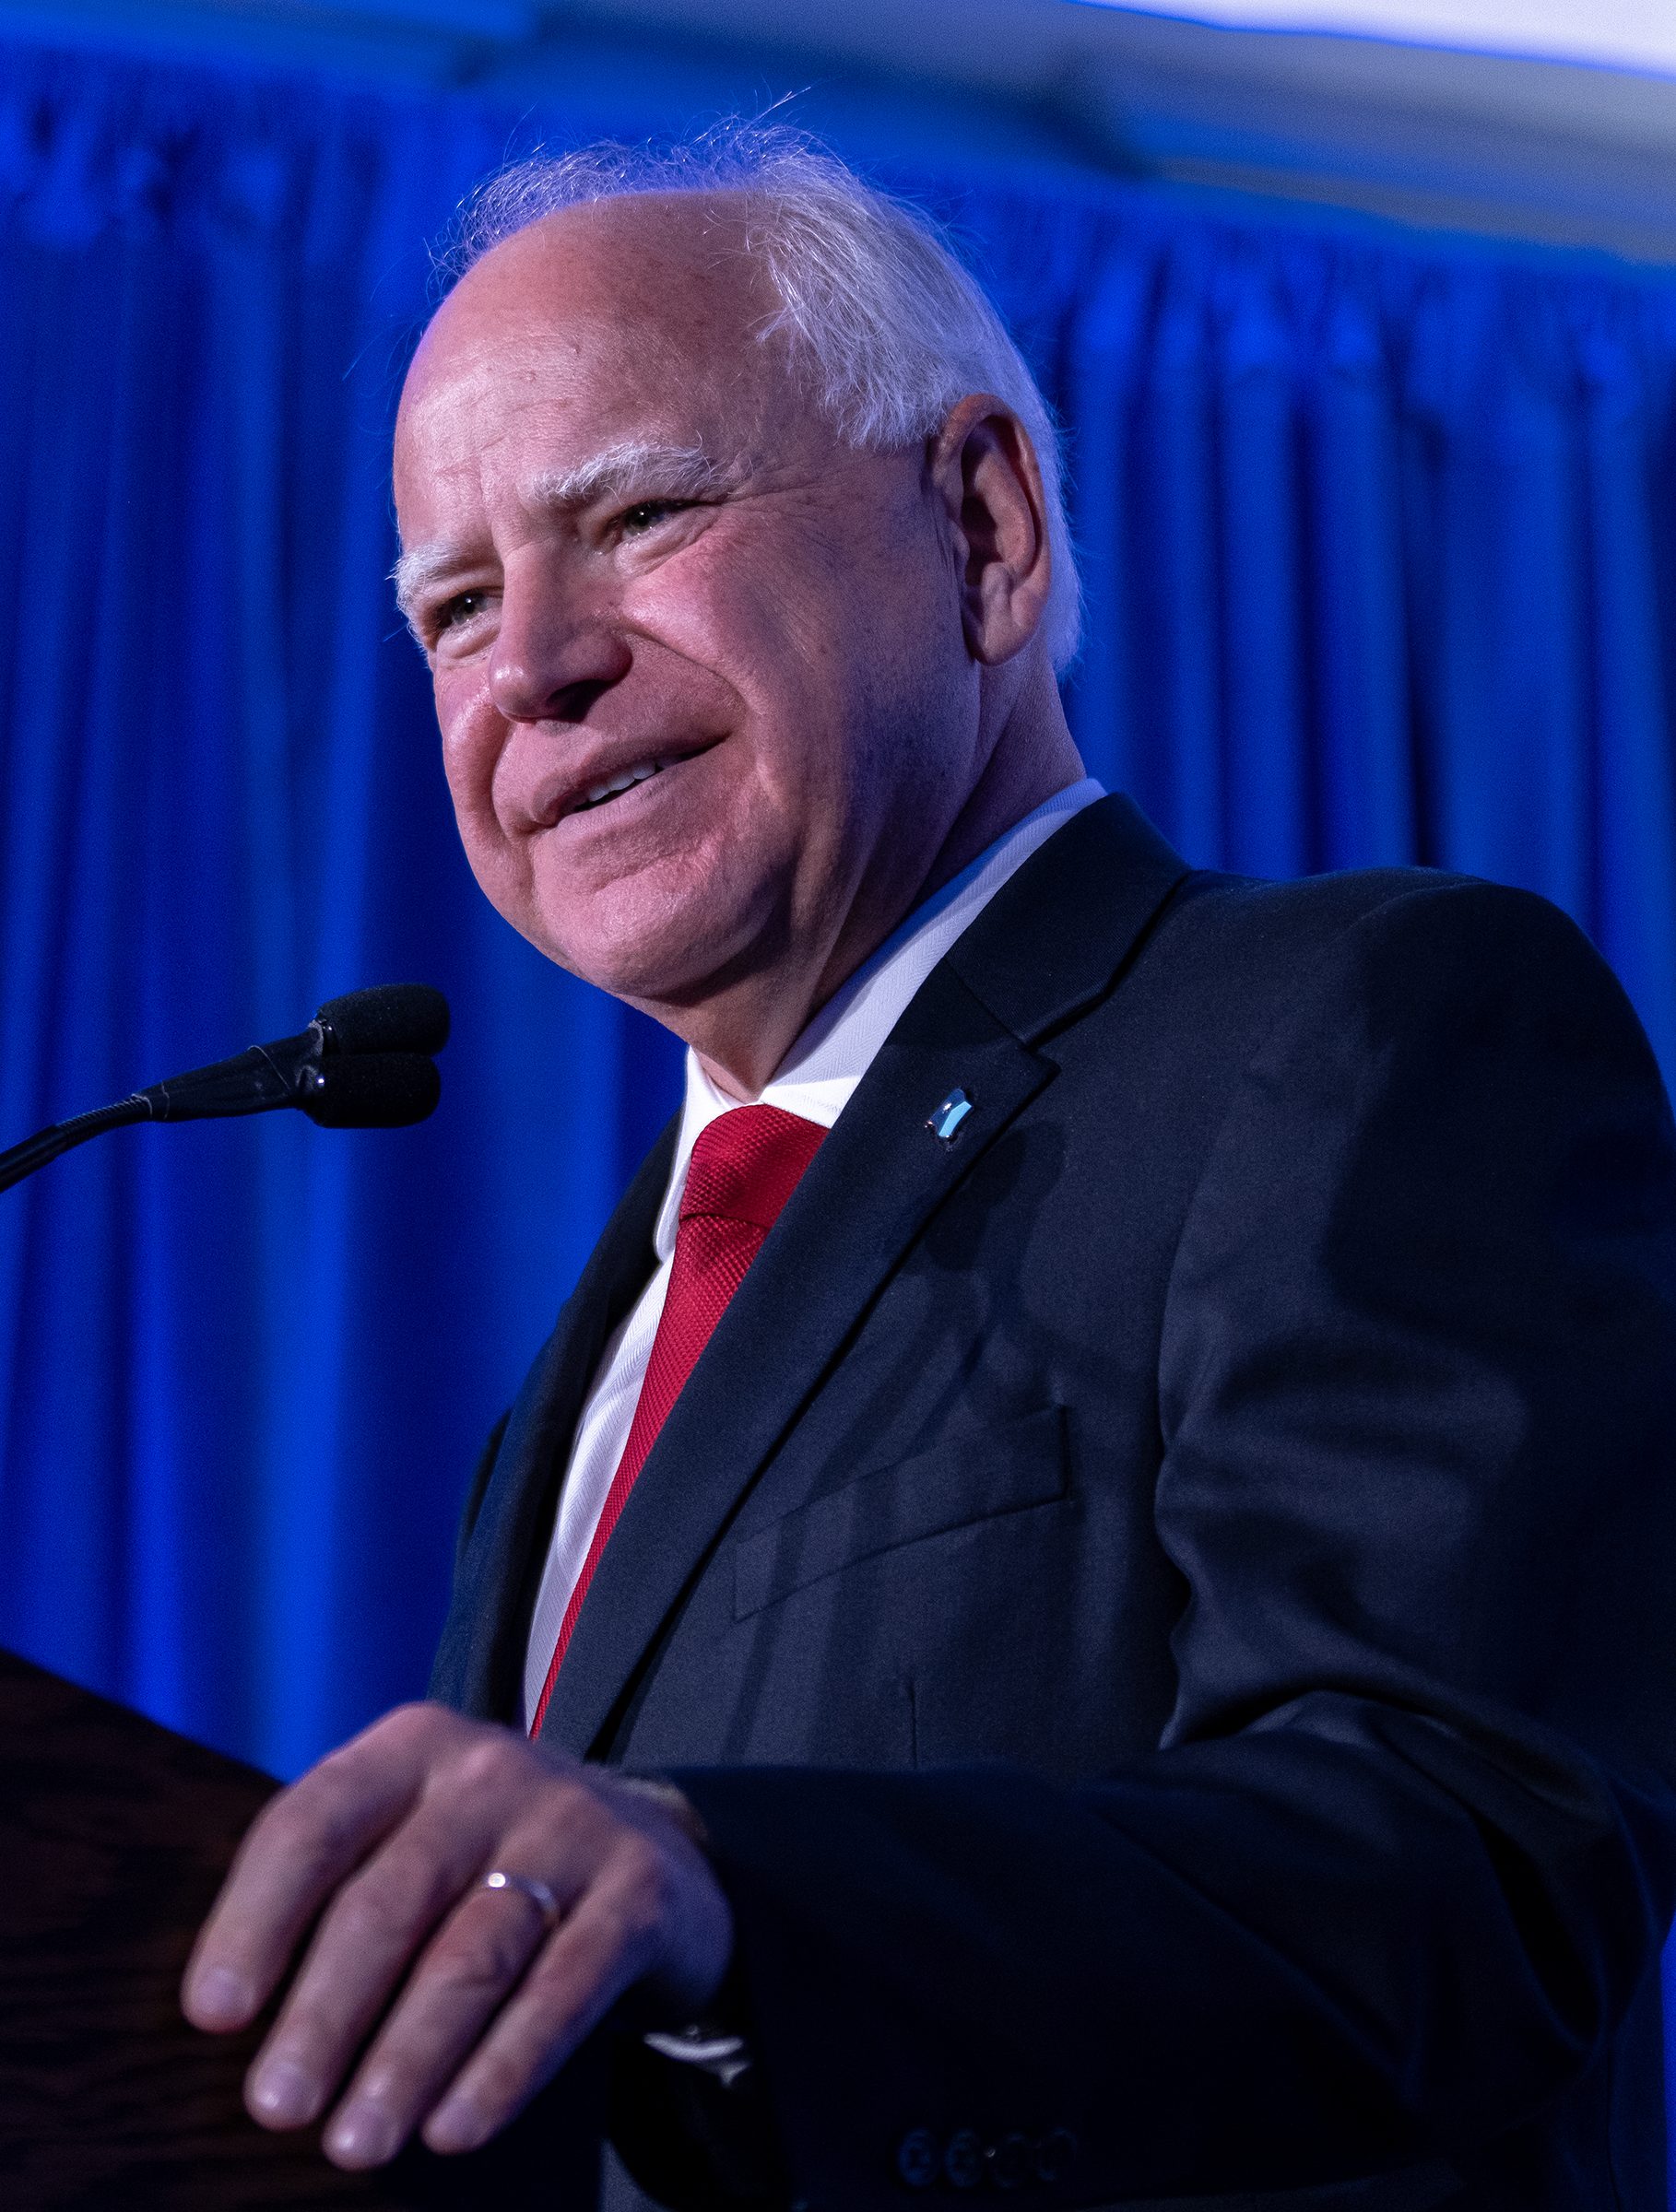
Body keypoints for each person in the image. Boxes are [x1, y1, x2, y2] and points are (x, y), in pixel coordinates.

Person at [182, 127, 1676, 2211]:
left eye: (640, 513)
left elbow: (1472, 1860)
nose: (530, 666)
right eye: (451, 607)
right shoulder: (582, 1377)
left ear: (981, 526)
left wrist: (739, 1893)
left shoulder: (1365, 1030)